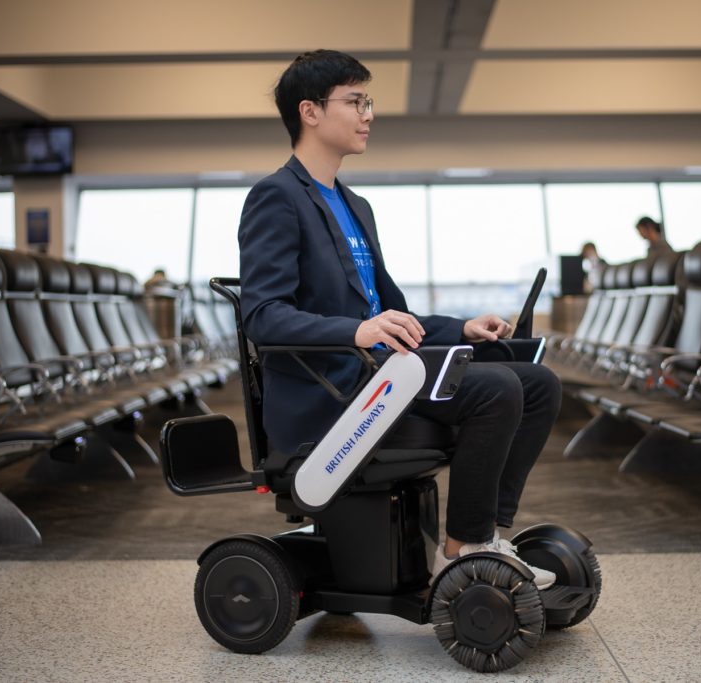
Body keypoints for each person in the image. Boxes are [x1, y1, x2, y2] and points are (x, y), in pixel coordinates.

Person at [238, 50, 561, 588]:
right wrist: (356, 332)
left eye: (369, 101)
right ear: (310, 112)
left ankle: (489, 536)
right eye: (355, 101)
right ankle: (461, 554)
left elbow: (391, 314)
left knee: (539, 384)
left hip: (382, 379)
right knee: (496, 390)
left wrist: (460, 328)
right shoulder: (276, 197)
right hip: (334, 396)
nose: (368, 114)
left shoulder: (354, 205)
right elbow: (265, 317)